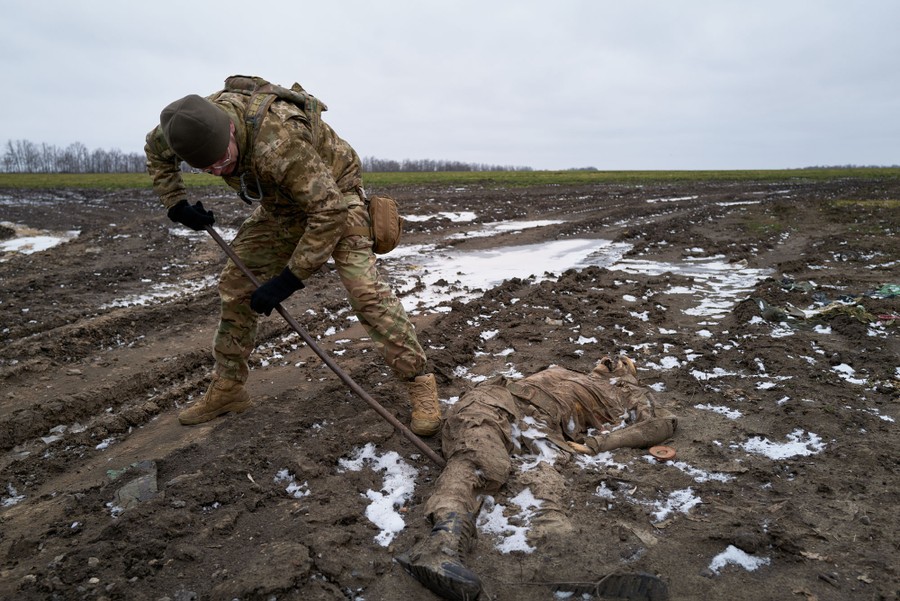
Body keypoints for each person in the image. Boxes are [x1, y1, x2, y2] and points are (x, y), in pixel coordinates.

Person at [144, 75, 441, 437]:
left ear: (232, 134)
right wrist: (176, 204)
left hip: (337, 197)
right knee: (236, 284)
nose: (219, 171)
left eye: (222, 160)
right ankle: (228, 388)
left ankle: (419, 383)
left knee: (365, 292)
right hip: (281, 205)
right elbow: (156, 150)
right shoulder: (183, 126)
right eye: (208, 170)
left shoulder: (279, 142)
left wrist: (289, 279)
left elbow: (328, 211)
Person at [395, 356, 677, 601]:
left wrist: (599, 444)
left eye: (622, 362)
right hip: (497, 401)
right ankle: (441, 544)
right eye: (607, 358)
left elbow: (663, 424)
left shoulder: (628, 392)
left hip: (545, 435)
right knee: (478, 457)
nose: (609, 359)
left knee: (544, 487)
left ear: (629, 372)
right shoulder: (566, 372)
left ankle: (561, 564)